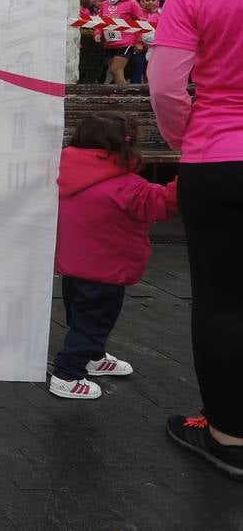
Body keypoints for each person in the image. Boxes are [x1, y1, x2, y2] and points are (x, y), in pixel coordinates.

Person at [149, 0, 243, 479]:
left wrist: (191, 141)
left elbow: (164, 86)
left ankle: (230, 437)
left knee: (221, 301)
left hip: (220, 160)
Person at [50, 112, 177, 400]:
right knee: (93, 324)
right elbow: (163, 204)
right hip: (107, 271)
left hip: (73, 268)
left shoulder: (64, 175)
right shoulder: (129, 187)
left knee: (81, 319)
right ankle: (66, 375)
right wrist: (196, 174)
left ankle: (94, 358)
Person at [96, 0, 145, 85]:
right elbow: (100, 22)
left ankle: (123, 96)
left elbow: (141, 22)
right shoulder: (104, 4)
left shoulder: (131, 3)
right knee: (115, 72)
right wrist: (98, 33)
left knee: (115, 69)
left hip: (126, 42)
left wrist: (139, 41)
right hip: (109, 43)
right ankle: (118, 93)